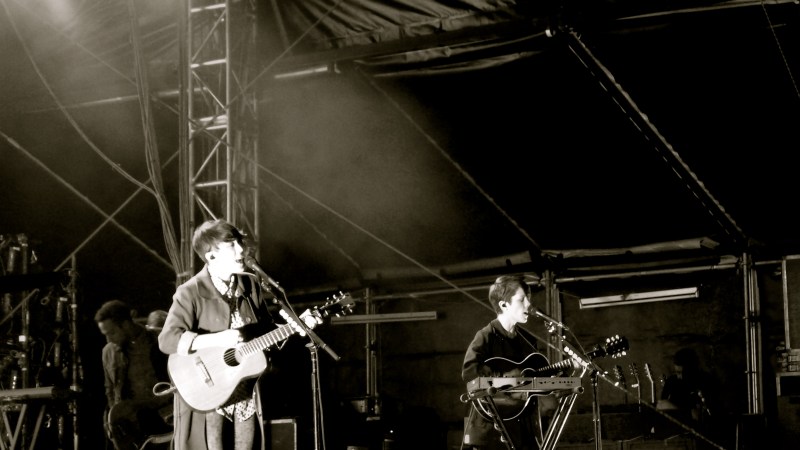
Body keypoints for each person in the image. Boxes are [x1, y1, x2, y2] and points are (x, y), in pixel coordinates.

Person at [157, 219, 280, 450]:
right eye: (232, 245)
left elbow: (267, 329)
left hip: (245, 390)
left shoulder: (250, 284)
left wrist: (297, 325)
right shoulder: (190, 291)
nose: (242, 250)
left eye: (240, 242)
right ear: (211, 256)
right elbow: (167, 340)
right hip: (210, 391)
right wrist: (217, 339)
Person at [462, 275, 544, 450]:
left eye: (529, 299)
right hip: (490, 429)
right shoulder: (485, 336)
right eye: (522, 300)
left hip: (522, 429)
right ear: (504, 305)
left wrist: (567, 371)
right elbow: (470, 372)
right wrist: (506, 379)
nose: (529, 305)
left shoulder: (528, 340)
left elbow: (539, 378)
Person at [95, 300, 173, 450]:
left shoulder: (159, 340)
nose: (109, 339)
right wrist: (114, 421)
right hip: (133, 426)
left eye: (112, 333)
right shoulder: (108, 352)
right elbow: (109, 389)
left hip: (167, 417)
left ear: (125, 324)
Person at [658, 347, 716, 426]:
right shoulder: (671, 381)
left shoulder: (705, 381)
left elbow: (706, 412)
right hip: (675, 427)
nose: (680, 377)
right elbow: (661, 405)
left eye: (684, 372)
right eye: (678, 372)